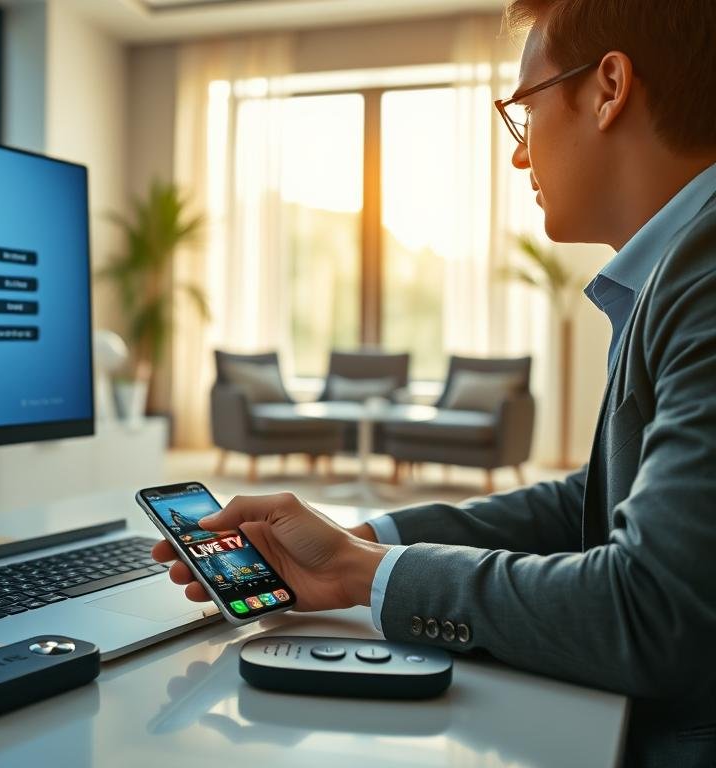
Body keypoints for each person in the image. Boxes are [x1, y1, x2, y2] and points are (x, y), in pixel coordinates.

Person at [153, 1, 716, 765]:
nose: (519, 157)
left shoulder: (704, 275)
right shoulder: (673, 268)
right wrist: (362, 538)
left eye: (524, 111)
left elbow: (651, 613)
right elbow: (586, 503)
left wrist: (362, 574)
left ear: (609, 88)